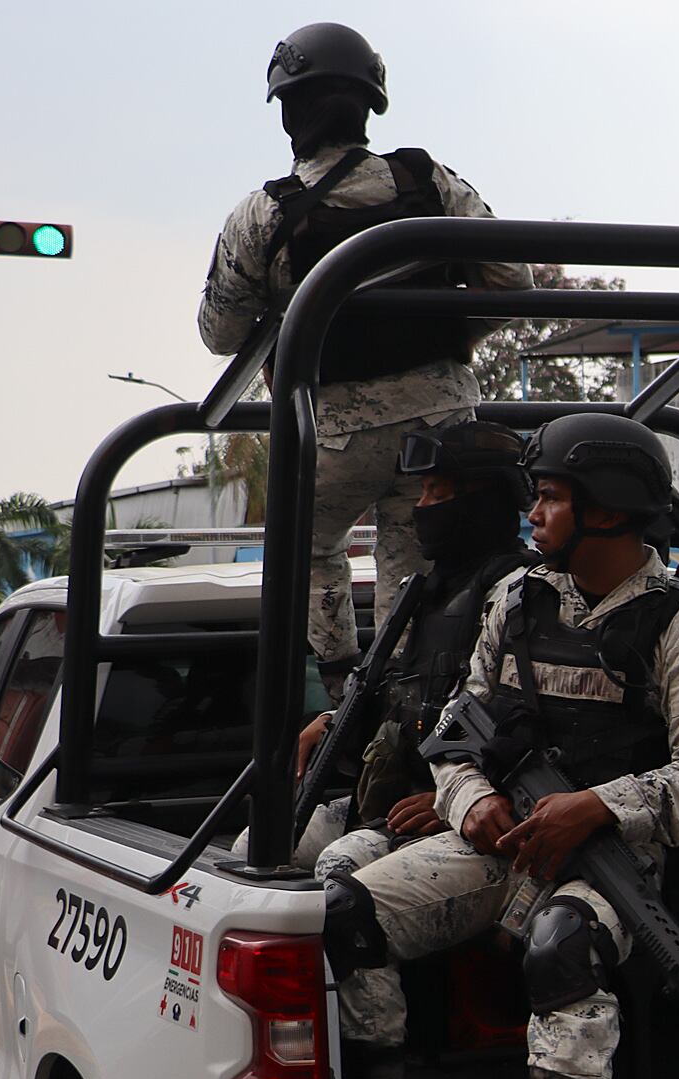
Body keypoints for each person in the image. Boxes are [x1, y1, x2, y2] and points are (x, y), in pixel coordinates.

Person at [322, 413, 679, 1079]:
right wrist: (469, 798)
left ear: (613, 510)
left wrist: (597, 806)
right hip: (503, 836)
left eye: (552, 497)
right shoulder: (517, 598)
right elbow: (456, 724)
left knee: (563, 945)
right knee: (344, 912)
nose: (535, 513)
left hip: (618, 857)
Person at [197, 21, 534, 675]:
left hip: (334, 435)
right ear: (371, 102)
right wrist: (451, 334)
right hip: (442, 428)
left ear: (289, 111)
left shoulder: (263, 216)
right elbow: (512, 280)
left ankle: (343, 677)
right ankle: (407, 689)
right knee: (414, 566)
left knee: (306, 545)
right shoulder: (426, 180)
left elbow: (220, 332)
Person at [288, 421, 536, 1079]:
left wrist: (457, 797)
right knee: (255, 863)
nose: (422, 508)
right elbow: (404, 698)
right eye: (419, 492)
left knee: (339, 881)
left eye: (439, 492)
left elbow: (537, 728)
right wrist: (336, 722)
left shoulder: (519, 596)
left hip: (468, 822)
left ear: (485, 501)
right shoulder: (429, 594)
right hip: (390, 801)